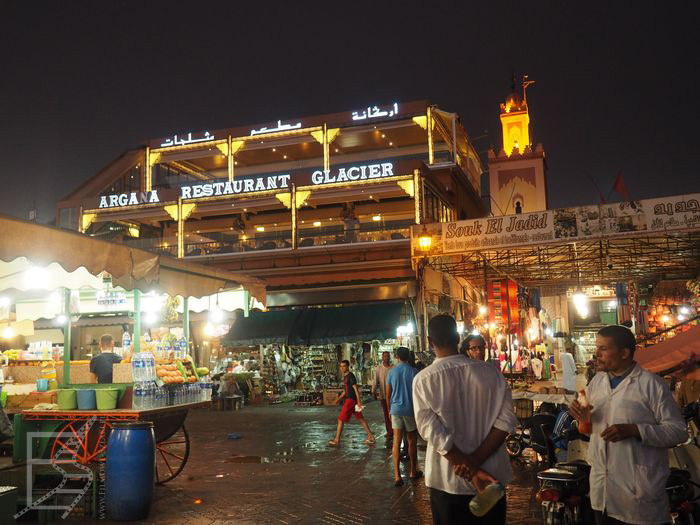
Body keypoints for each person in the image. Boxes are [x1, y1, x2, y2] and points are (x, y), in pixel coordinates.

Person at [570, 325, 687, 525]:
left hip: (638, 495)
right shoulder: (597, 382)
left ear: (624, 353)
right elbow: (588, 429)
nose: (596, 354)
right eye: (597, 348)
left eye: (603, 349)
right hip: (603, 493)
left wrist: (635, 430)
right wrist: (582, 417)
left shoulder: (651, 385)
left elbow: (678, 432)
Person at [413, 315, 517, 524]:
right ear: (458, 338)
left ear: (430, 341)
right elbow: (506, 421)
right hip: (491, 478)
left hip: (448, 481)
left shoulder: (423, 380)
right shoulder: (492, 373)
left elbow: (430, 430)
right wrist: (475, 464)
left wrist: (467, 466)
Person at [386, 346, 421, 486]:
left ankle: (397, 476)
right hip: (410, 410)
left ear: (397, 357)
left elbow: (388, 394)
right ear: (408, 357)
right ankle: (413, 471)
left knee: (396, 442)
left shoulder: (392, 372)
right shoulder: (414, 372)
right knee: (412, 441)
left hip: (396, 409)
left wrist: (389, 410)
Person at [329, 360, 375, 446]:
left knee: (340, 419)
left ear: (347, 367)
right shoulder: (345, 377)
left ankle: (337, 440)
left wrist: (359, 401)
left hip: (350, 401)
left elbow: (355, 389)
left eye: (344, 366)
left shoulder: (350, 376)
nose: (342, 368)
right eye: (341, 366)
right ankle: (370, 436)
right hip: (351, 400)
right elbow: (345, 390)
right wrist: (338, 399)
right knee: (360, 419)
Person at [371, 351, 394, 442]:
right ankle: (389, 431)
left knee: (393, 413)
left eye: (388, 356)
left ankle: (393, 431)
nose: (386, 358)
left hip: (393, 395)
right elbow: (375, 380)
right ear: (382, 357)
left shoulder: (393, 368)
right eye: (385, 356)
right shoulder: (379, 369)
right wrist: (373, 390)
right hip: (383, 395)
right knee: (386, 414)